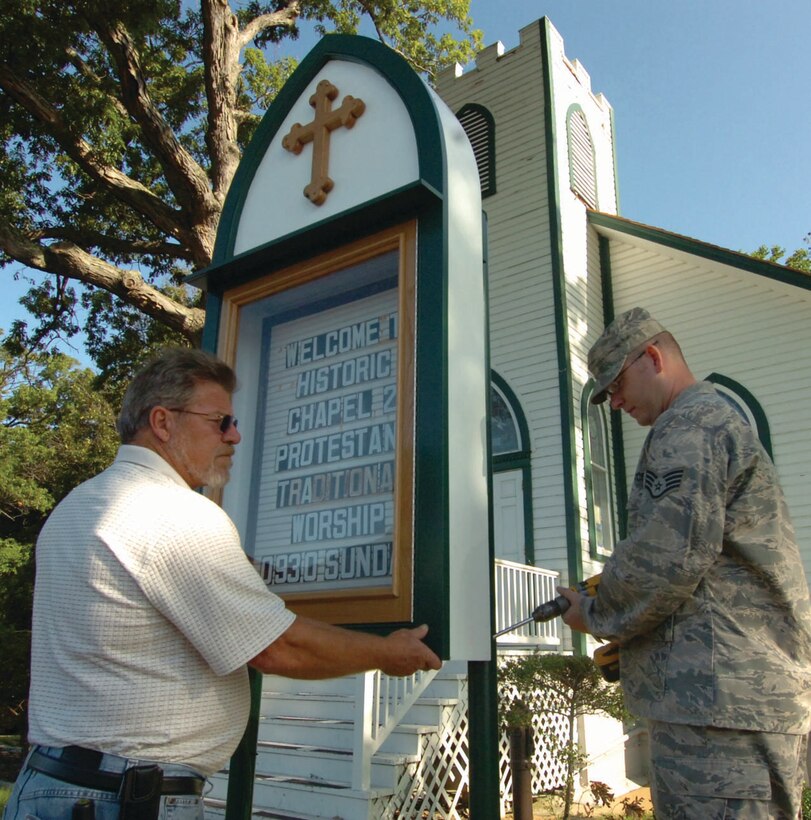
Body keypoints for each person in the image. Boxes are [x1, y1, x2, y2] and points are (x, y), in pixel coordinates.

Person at [4, 347, 441, 820]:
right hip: (123, 797)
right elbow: (278, 649)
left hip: (54, 784)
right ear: (163, 422)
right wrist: (388, 653)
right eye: (221, 422)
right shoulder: (174, 513)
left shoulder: (76, 506)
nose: (236, 435)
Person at [558, 307, 811, 819]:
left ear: (652, 357)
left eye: (616, 383)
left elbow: (663, 557)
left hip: (718, 712)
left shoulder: (689, 426)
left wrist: (593, 612)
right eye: (604, 394)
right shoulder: (713, 421)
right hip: (733, 704)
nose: (614, 402)